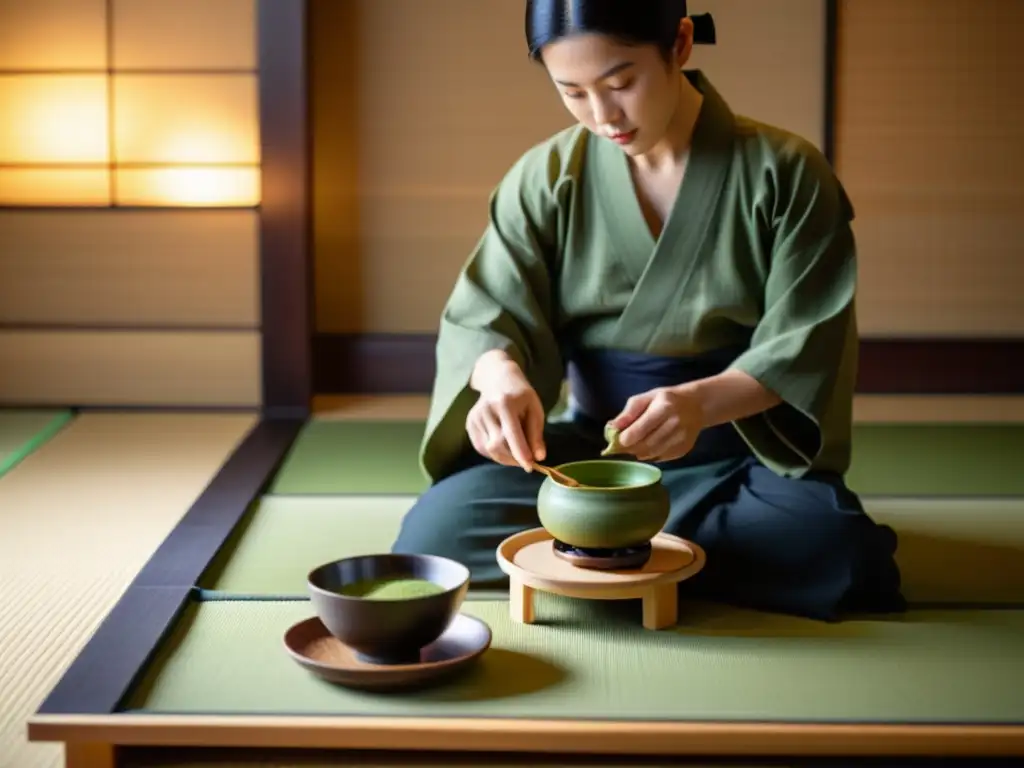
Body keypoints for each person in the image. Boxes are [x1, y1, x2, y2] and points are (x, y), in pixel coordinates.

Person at [391, 0, 906, 622]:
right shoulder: (547, 176)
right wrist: (499, 381)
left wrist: (697, 404)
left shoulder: (787, 173)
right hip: (591, 461)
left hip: (736, 457)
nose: (603, 115)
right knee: (435, 534)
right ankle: (653, 555)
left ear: (680, 44)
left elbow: (806, 339)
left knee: (839, 553)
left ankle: (596, 559)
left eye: (621, 82)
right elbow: (486, 311)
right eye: (572, 92)